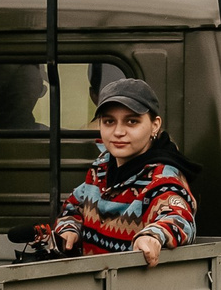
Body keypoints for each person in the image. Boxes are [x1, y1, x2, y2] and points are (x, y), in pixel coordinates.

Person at [40, 76, 196, 265]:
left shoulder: (162, 179)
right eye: (108, 122)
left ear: (155, 125)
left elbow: (179, 218)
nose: (118, 132)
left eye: (132, 122)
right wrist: (70, 229)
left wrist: (153, 236)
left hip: (132, 289)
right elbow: (73, 208)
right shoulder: (101, 169)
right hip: (94, 283)